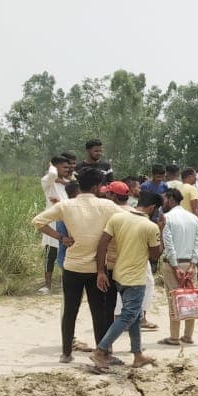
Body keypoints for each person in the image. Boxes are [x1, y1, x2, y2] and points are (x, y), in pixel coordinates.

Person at [33, 167, 124, 364]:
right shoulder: (106, 206)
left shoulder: (66, 206)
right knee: (99, 311)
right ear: (96, 186)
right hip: (96, 269)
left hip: (72, 266)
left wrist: (61, 238)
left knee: (70, 311)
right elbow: (127, 216)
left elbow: (38, 221)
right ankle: (102, 353)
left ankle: (66, 353)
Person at [91, 191, 162, 371]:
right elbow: (155, 255)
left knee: (135, 315)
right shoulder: (150, 226)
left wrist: (100, 270)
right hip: (135, 277)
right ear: (153, 208)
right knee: (129, 315)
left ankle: (137, 355)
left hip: (118, 274)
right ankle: (100, 350)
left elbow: (102, 244)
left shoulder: (118, 218)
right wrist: (160, 229)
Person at [156, 189, 198, 346]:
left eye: (164, 199)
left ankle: (174, 337)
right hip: (190, 264)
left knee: (174, 300)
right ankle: (188, 336)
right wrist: (193, 264)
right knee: (190, 299)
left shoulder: (167, 218)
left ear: (170, 199)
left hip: (173, 264)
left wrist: (175, 267)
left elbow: (169, 245)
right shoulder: (194, 219)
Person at [39, 155, 71, 294]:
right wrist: (51, 164)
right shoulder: (48, 181)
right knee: (50, 253)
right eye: (63, 167)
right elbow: (52, 173)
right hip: (51, 223)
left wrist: (64, 181)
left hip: (65, 221)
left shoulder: (66, 183)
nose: (67, 169)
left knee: (66, 252)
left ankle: (67, 283)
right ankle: (47, 285)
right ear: (55, 167)